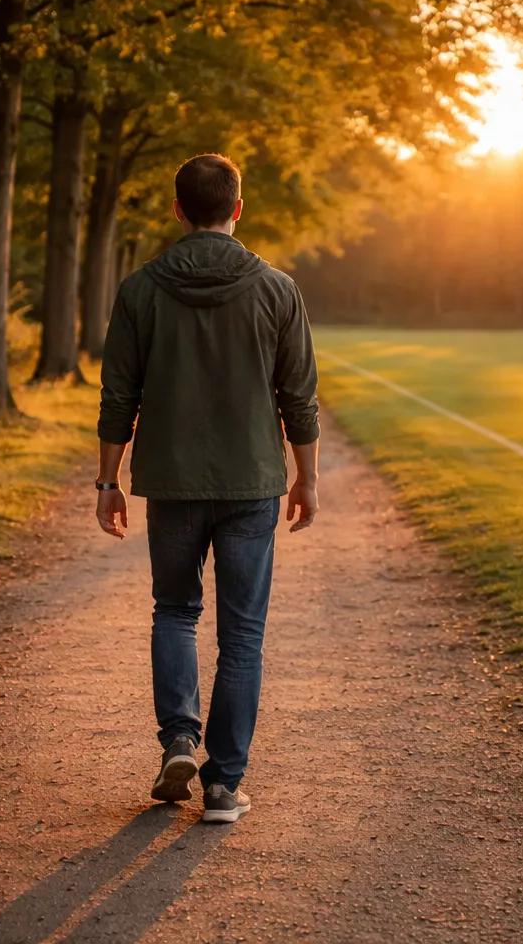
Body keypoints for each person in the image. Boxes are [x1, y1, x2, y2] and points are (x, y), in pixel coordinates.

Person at [93, 153, 320, 824]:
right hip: (252, 481)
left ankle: (179, 741)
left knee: (174, 610)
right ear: (238, 210)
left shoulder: (140, 289)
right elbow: (299, 398)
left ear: (177, 209)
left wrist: (108, 479)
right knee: (242, 634)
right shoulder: (278, 289)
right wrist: (307, 476)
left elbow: (117, 398)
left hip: (172, 479)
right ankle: (224, 786)